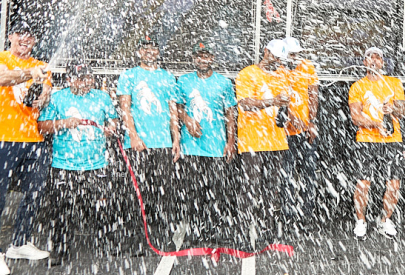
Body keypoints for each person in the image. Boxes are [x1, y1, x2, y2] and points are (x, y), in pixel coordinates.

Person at [0, 20, 53, 275]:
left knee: (34, 194)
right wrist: (30, 74)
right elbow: (0, 77)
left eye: (30, 36)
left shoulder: (41, 66)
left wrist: (41, 94)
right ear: (10, 36)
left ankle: (20, 243)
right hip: (0, 138)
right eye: (20, 34)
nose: (25, 39)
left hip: (32, 141)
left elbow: (42, 99)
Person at [38, 62, 118, 265]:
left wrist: (110, 127)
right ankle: (60, 249)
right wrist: (63, 123)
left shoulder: (102, 96)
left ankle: (105, 245)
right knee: (61, 210)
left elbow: (113, 119)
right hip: (64, 164)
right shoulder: (57, 98)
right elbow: (42, 126)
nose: (86, 83)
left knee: (101, 208)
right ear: (68, 79)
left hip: (96, 164)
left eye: (89, 78)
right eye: (81, 78)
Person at [117, 36, 181, 249]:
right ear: (139, 53)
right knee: (136, 193)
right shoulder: (129, 76)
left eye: (153, 48)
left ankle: (161, 236)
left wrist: (176, 139)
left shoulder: (168, 77)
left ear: (158, 52)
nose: (150, 52)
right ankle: (135, 238)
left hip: (162, 142)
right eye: (145, 49)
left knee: (163, 191)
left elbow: (173, 110)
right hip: (138, 144)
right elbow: (125, 108)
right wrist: (133, 136)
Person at [236, 39, 298, 249]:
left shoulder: (282, 76)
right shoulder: (247, 74)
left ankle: (267, 231)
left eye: (280, 58)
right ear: (265, 52)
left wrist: (290, 116)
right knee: (250, 188)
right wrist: (273, 102)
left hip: (277, 141)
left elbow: (284, 107)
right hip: (252, 141)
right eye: (274, 56)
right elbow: (244, 104)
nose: (277, 61)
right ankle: (244, 233)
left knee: (271, 189)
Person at [176, 43, 237, 243]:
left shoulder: (224, 83)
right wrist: (187, 120)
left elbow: (230, 112)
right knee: (194, 191)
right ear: (194, 59)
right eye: (199, 56)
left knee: (217, 191)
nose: (203, 60)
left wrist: (230, 141)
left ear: (213, 58)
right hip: (192, 146)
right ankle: (195, 231)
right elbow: (177, 107)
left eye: (206, 56)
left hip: (217, 146)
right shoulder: (183, 81)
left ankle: (216, 230)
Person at [348, 47, 405, 240]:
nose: (374, 61)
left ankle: (385, 221)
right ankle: (361, 221)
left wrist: (393, 108)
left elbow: (402, 111)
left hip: (392, 140)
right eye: (370, 57)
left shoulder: (394, 83)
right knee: (363, 184)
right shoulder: (357, 86)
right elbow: (356, 117)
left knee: (393, 184)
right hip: (366, 140)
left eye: (378, 58)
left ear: (383, 62)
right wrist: (376, 123)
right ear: (364, 62)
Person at [281, 37, 320, 226]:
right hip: (282, 132)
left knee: (308, 174)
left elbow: (313, 94)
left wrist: (311, 122)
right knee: (285, 175)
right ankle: (287, 215)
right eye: (290, 54)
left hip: (304, 129)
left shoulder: (307, 67)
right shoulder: (277, 70)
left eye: (296, 54)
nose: (294, 57)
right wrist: (289, 117)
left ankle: (306, 216)